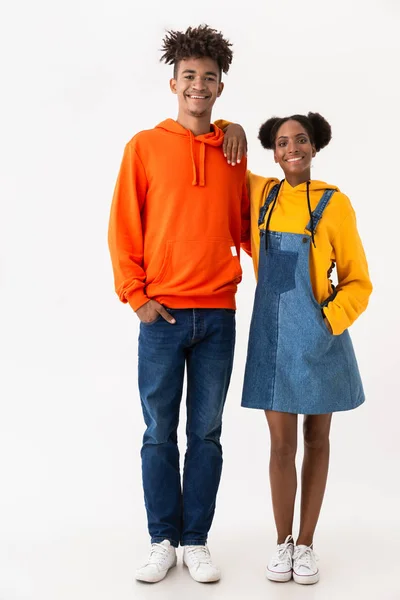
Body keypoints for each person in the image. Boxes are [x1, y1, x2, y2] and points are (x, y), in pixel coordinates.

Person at [108, 25, 249, 584]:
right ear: (173, 83)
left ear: (220, 88)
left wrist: (234, 133)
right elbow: (123, 226)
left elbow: (249, 226)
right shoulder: (143, 146)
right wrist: (136, 296)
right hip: (161, 316)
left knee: (208, 433)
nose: (198, 85)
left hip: (218, 314)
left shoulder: (233, 153)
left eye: (208, 78)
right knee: (158, 431)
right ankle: (161, 538)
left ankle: (196, 540)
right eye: (189, 76)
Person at [223, 113, 372, 584]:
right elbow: (220, 151)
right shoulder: (261, 192)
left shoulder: (334, 203)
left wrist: (328, 322)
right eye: (283, 141)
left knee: (316, 439)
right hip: (271, 337)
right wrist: (231, 125)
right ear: (272, 150)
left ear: (315, 146)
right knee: (281, 444)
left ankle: (306, 544)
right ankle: (282, 542)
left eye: (301, 140)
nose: (293, 148)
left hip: (319, 338)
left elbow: (358, 282)